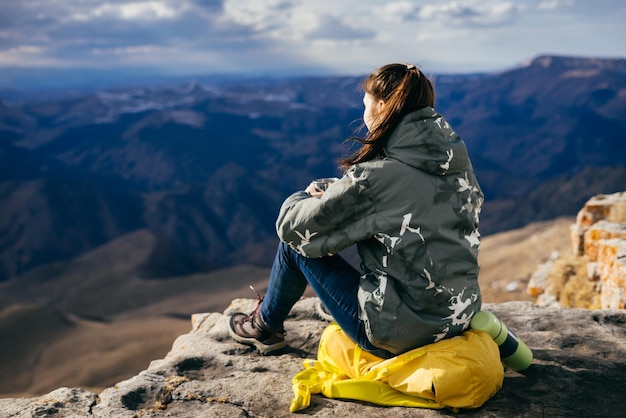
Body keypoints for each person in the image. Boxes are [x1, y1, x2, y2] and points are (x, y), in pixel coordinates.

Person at [229, 63, 484, 358]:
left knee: (295, 248)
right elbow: (406, 198)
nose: (364, 115)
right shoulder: (455, 161)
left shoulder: (378, 176)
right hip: (457, 317)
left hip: (398, 336)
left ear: (382, 105)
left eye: (365, 105)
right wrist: (341, 190)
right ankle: (338, 302)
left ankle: (264, 327)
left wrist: (303, 197)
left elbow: (294, 228)